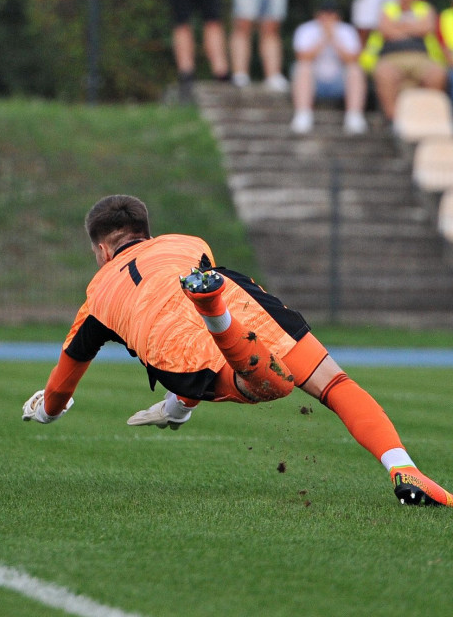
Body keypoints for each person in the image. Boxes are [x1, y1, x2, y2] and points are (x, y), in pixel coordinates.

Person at [22, 194, 451, 507]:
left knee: (268, 385)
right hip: (231, 291)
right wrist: (177, 409)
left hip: (175, 350)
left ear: (101, 249)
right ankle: (404, 468)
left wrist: (47, 409)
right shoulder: (189, 243)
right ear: (146, 233)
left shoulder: (97, 298)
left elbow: (61, 385)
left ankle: (216, 318)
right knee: (335, 383)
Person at [360, 0, 446, 121]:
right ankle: (394, 120)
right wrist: (413, 28)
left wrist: (398, 27)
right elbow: (385, 30)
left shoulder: (426, 8)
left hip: (421, 57)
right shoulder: (386, 8)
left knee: (437, 74)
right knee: (384, 74)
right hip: (391, 57)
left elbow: (427, 27)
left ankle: (429, 118)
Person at [289, 0, 367, 135]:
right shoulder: (306, 30)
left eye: (331, 14)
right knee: (303, 67)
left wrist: (334, 39)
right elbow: (303, 57)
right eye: (324, 14)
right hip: (314, 82)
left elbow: (352, 59)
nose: (327, 18)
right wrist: (324, 38)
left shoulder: (347, 31)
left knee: (355, 70)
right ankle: (303, 114)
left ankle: (354, 116)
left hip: (338, 83)